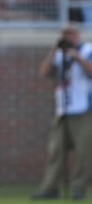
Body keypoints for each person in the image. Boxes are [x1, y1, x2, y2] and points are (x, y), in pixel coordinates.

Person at [32, 24, 92, 201]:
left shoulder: (87, 50)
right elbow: (44, 72)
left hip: (83, 109)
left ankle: (78, 189)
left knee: (83, 152)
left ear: (78, 36)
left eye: (72, 35)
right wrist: (53, 51)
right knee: (56, 151)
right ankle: (50, 188)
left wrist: (77, 57)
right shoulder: (58, 54)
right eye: (66, 35)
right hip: (62, 110)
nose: (69, 38)